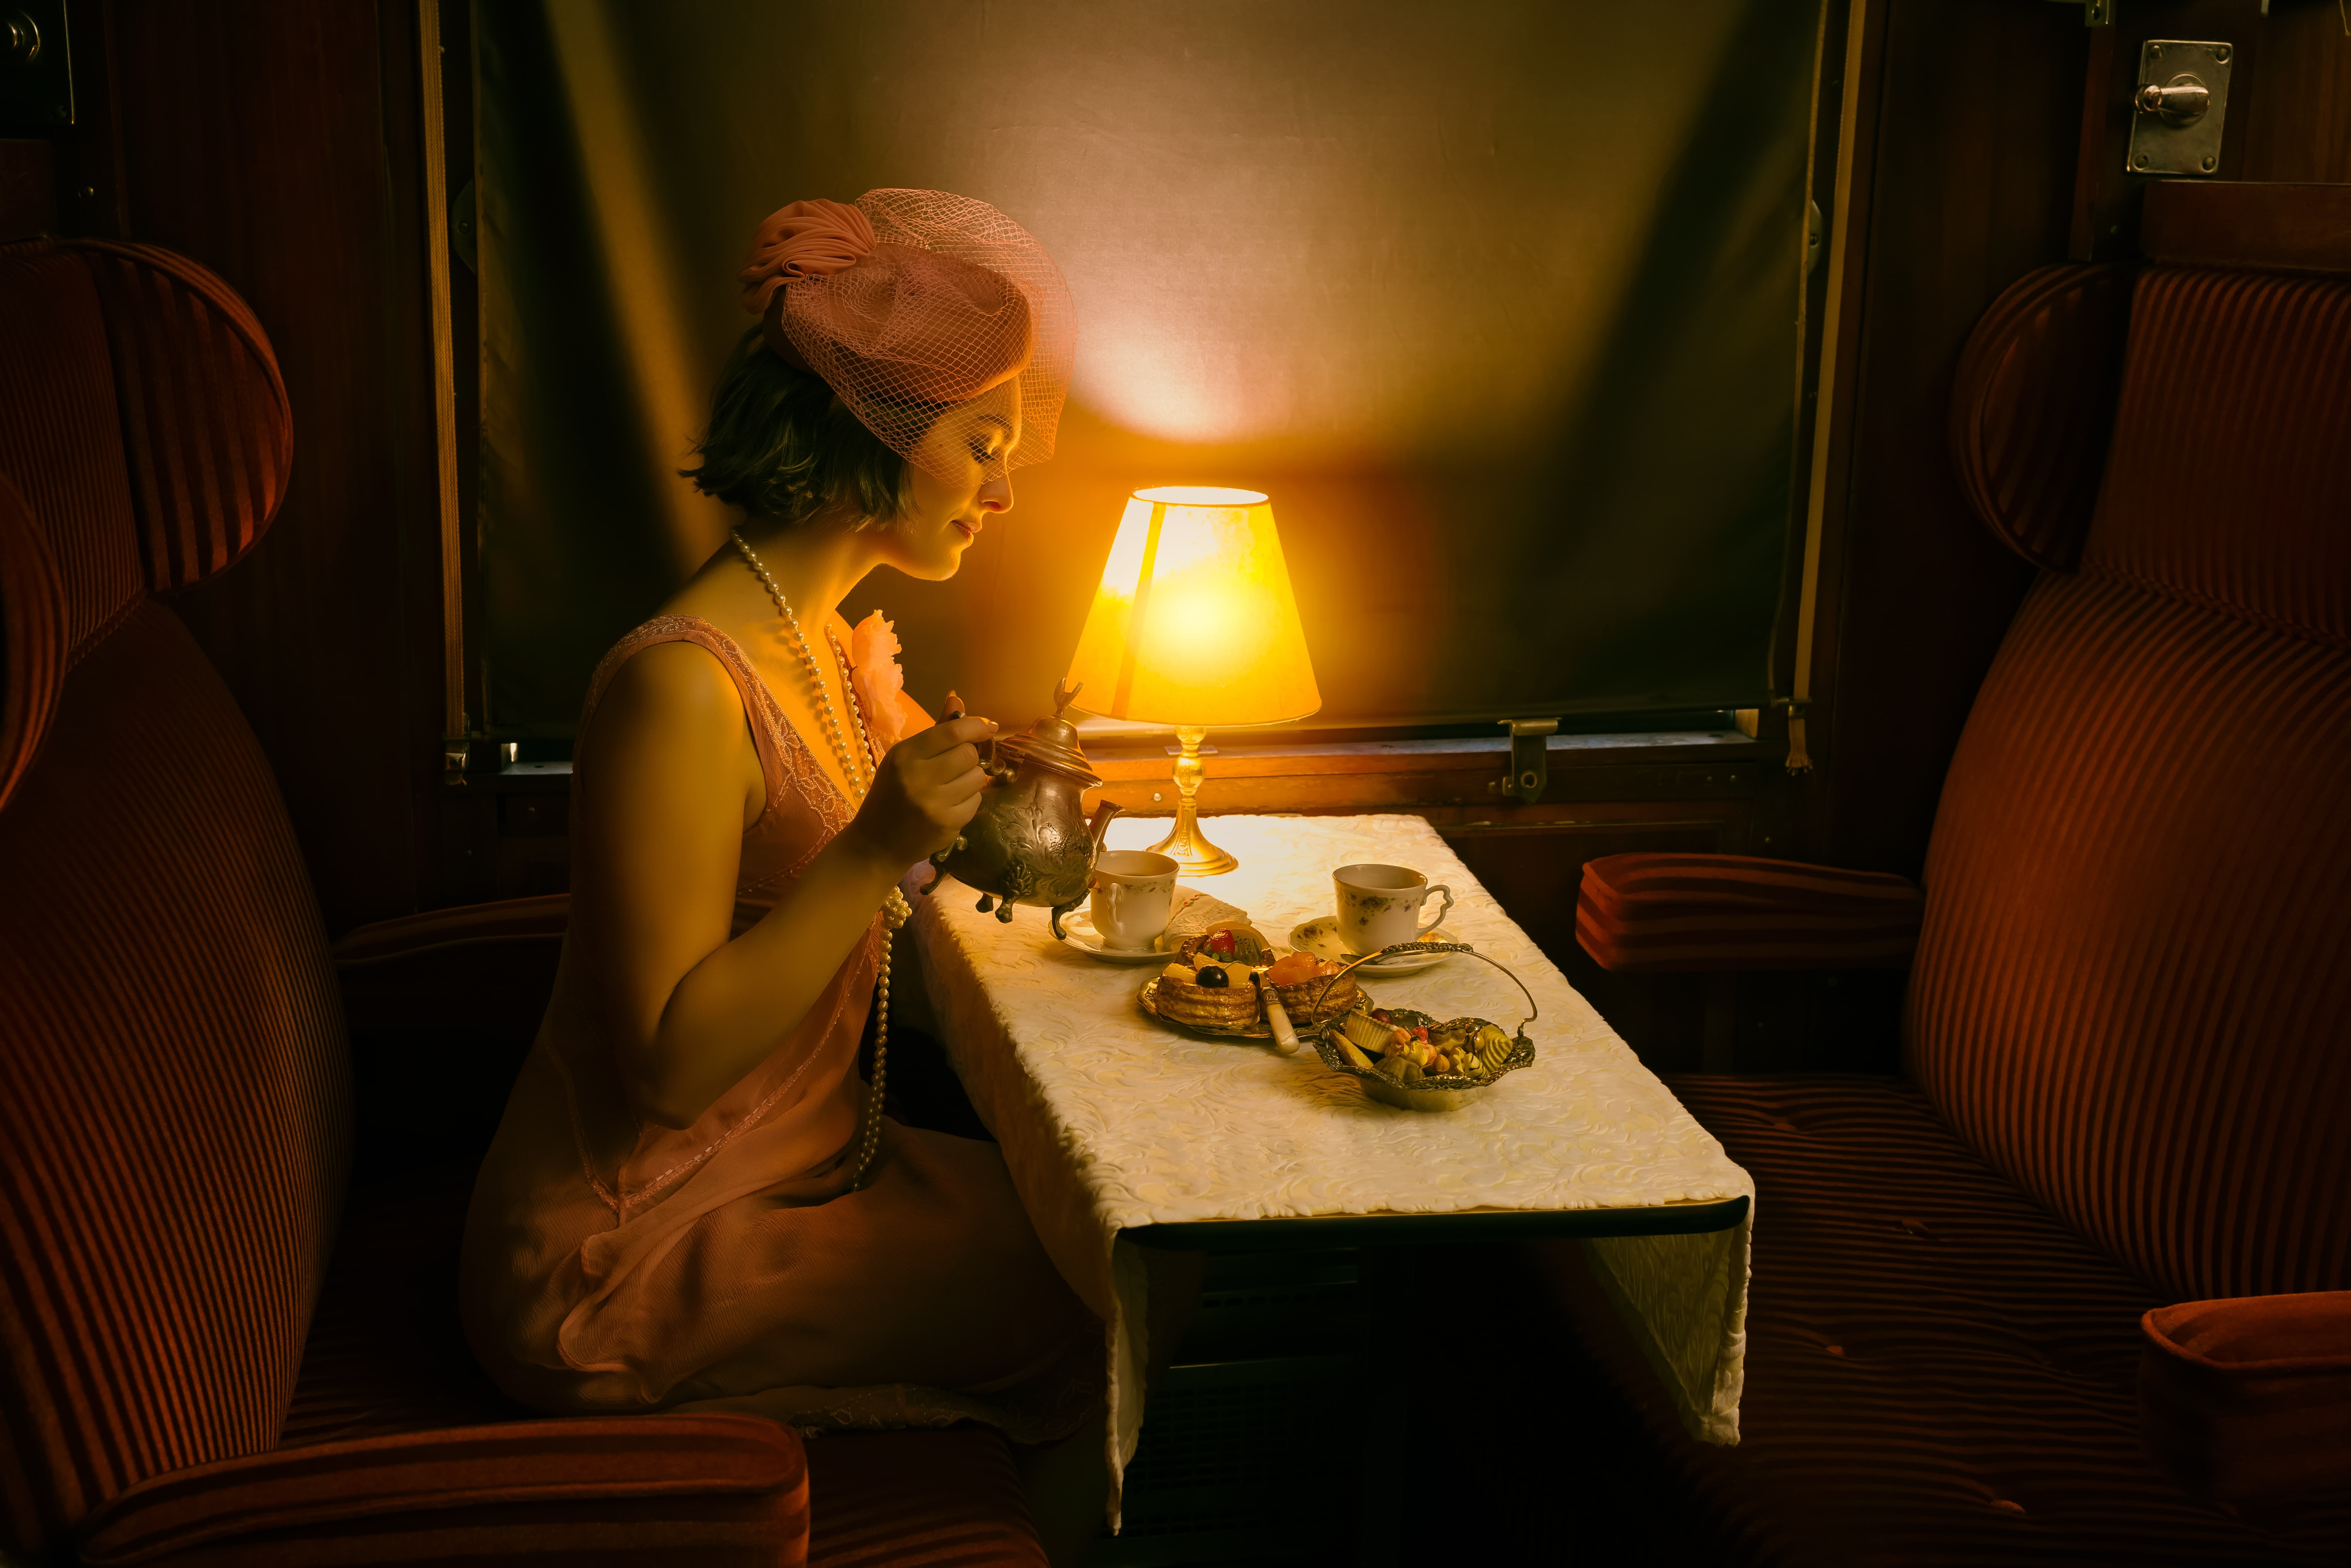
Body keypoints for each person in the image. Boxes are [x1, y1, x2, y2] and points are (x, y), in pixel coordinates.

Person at [458, 190, 1105, 1557]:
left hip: (805, 1159)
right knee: (1096, 1280)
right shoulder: (684, 690)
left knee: (1106, 1224)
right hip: (627, 1243)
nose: (1002, 491)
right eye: (982, 445)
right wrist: (874, 844)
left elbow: (942, 852)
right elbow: (668, 1069)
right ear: (873, 438)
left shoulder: (828, 645)